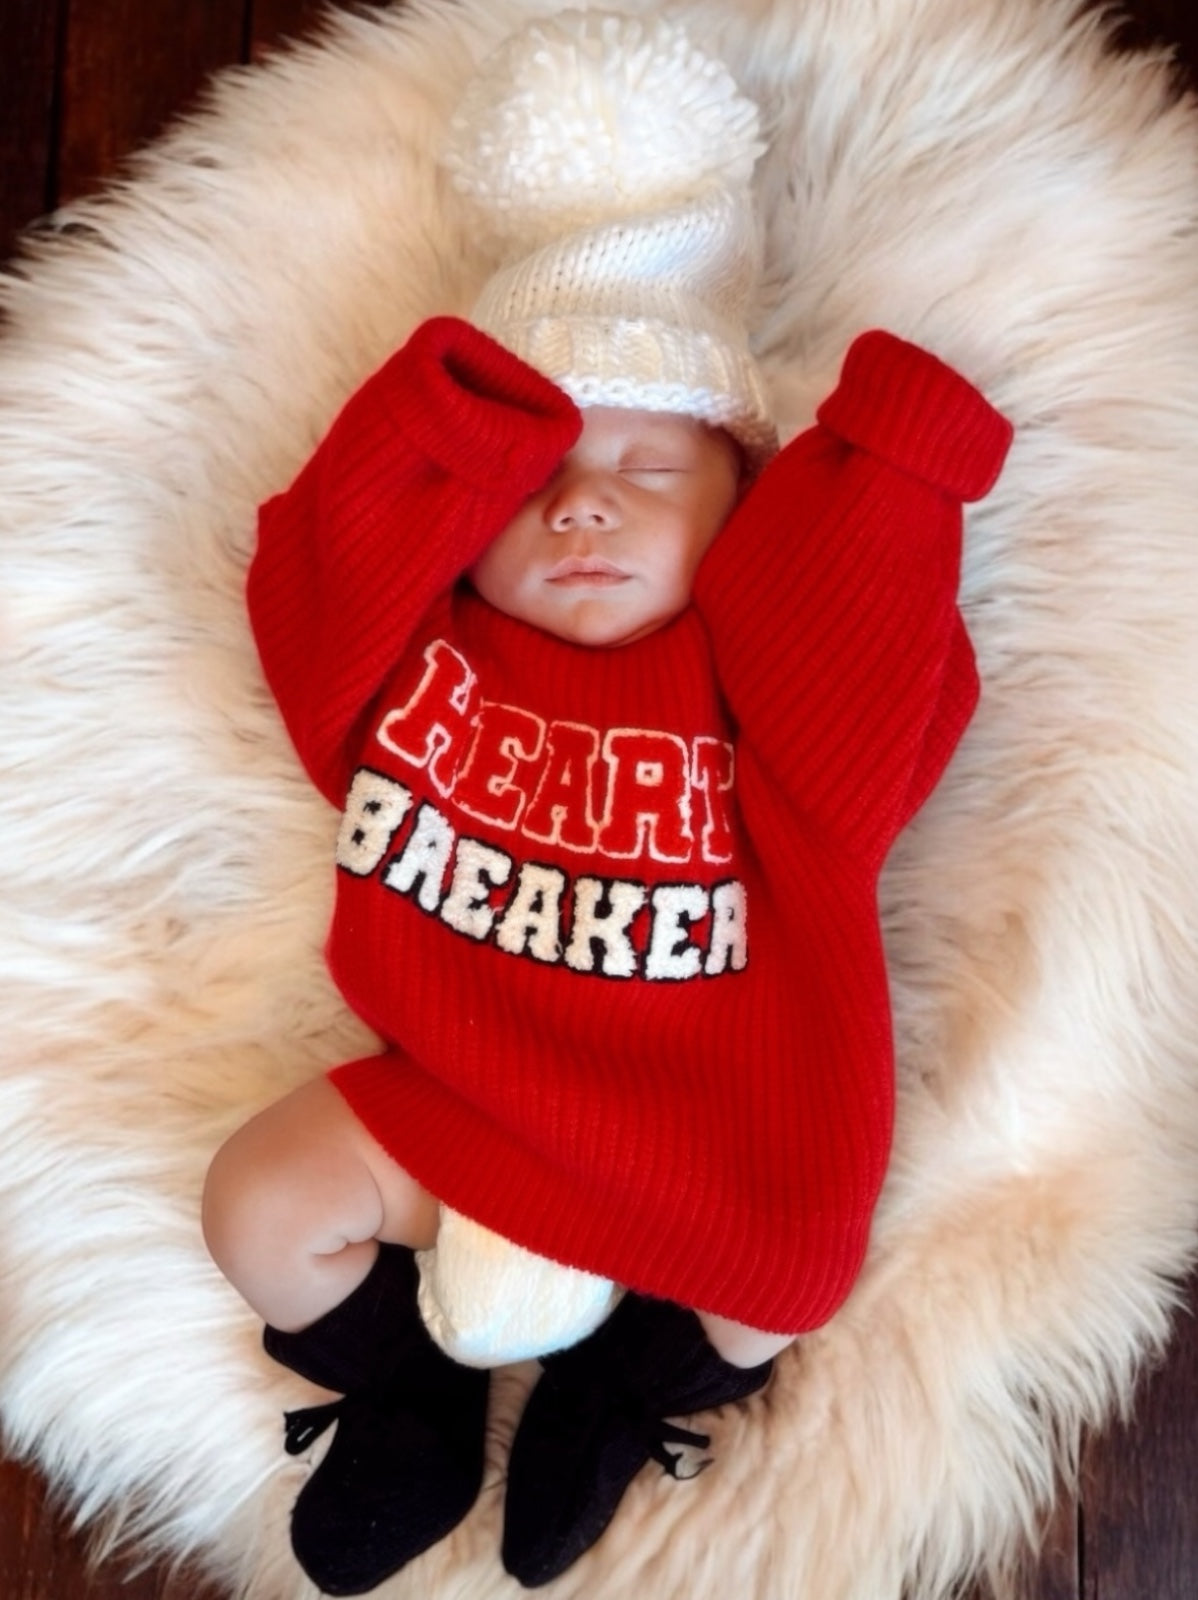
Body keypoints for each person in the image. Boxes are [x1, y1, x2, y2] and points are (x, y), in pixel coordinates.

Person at [201, 11, 1013, 1595]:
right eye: (535, 474)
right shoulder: (414, 656)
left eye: (650, 467)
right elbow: (312, 571)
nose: (582, 502)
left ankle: (624, 1388)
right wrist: (455, 427)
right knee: (258, 1202)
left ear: (745, 511)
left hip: (715, 1129)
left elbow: (883, 671)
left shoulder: (759, 671)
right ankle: (411, 1394)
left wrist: (895, 474)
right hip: (455, 1098)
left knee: (785, 1288)